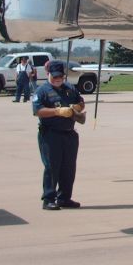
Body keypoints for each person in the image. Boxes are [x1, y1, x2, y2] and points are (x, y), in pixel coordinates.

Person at [32, 60, 86, 210]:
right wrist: (57, 111)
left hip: (69, 134)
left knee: (69, 167)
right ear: (48, 74)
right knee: (52, 167)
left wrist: (77, 107)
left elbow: (81, 102)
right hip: (51, 135)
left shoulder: (69, 88)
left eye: (60, 77)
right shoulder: (41, 91)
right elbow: (38, 111)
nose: (57, 80)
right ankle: (49, 198)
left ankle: (64, 198)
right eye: (54, 77)